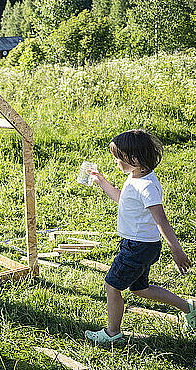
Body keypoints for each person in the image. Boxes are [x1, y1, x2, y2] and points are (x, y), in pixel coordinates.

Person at [84, 129, 196, 343]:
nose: (115, 161)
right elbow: (123, 200)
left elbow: (161, 220)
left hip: (138, 247)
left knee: (112, 285)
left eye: (118, 157)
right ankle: (189, 308)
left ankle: (112, 334)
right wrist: (102, 182)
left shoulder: (146, 187)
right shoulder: (135, 177)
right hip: (140, 245)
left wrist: (176, 250)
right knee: (140, 288)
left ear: (134, 159)